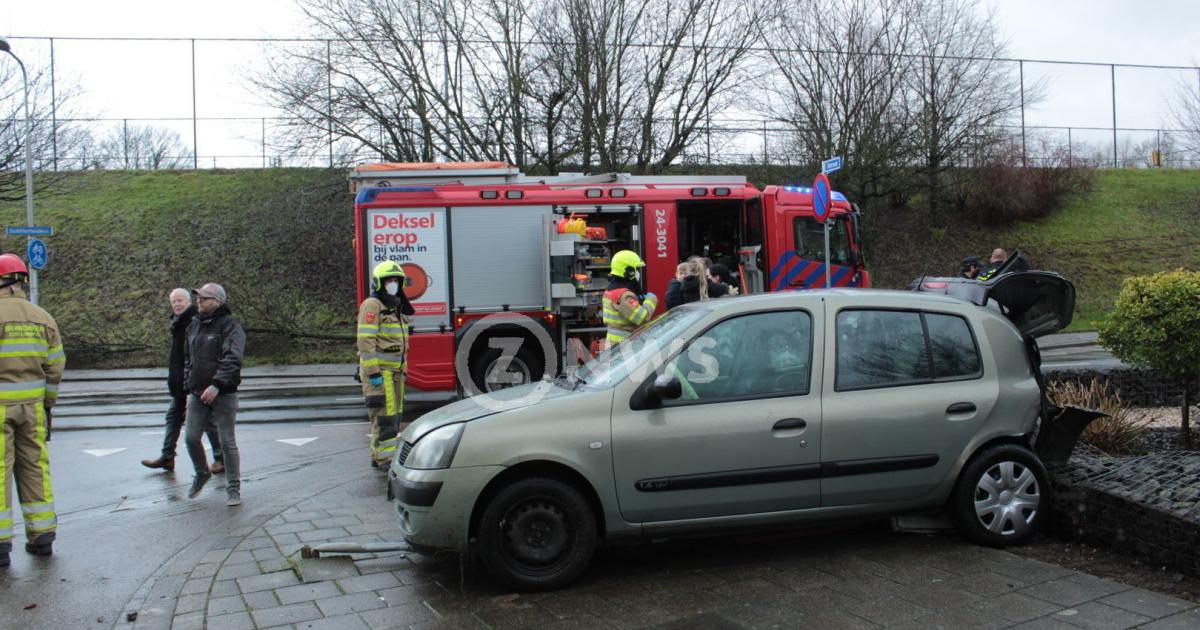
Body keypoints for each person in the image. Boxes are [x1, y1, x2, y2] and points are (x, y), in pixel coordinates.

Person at [0, 253, 64, 565]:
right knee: (35, 467)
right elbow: (56, 367)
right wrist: (47, 405)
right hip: (34, 409)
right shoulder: (43, 318)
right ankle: (42, 537)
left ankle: (0, 546)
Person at [141, 289, 221, 473]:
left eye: (180, 300)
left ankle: (221, 457)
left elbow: (193, 356)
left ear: (189, 302)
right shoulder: (179, 322)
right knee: (173, 418)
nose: (176, 304)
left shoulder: (192, 322)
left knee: (206, 421)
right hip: (180, 382)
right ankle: (167, 456)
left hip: (191, 382)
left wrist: (189, 383)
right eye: (173, 301)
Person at [182, 283, 246, 507]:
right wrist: (189, 383)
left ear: (217, 301)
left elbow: (233, 359)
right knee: (190, 438)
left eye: (204, 298)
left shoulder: (231, 326)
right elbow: (188, 358)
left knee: (227, 442)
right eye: (198, 298)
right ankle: (202, 473)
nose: (199, 301)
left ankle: (233, 488)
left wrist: (217, 385)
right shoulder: (194, 326)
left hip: (224, 393)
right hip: (197, 392)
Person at [357, 261, 414, 468]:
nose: (393, 284)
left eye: (396, 280)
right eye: (389, 280)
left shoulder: (394, 306)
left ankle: (380, 455)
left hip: (396, 373)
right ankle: (385, 459)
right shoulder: (373, 306)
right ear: (379, 283)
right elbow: (365, 341)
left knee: (394, 417)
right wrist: (373, 373)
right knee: (384, 418)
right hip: (381, 374)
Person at [602, 250, 658, 348]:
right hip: (626, 345)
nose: (637, 272)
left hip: (615, 344)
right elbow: (642, 318)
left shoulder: (610, 290)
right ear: (629, 271)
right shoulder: (624, 295)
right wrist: (651, 299)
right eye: (636, 269)